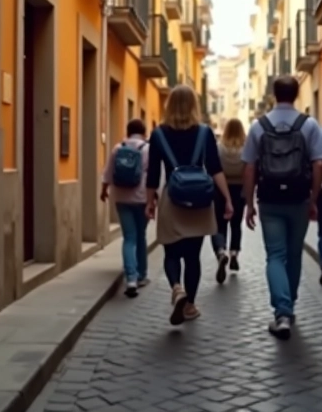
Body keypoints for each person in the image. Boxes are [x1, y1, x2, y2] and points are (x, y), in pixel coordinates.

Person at [242, 76, 322, 340]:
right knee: (294, 253)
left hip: (269, 199)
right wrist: (313, 199)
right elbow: (319, 163)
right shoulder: (309, 125)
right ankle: (289, 306)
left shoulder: (258, 126)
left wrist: (248, 204)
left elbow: (250, 167)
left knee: (275, 255)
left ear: (274, 94)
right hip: (299, 198)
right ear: (297, 93)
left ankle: (282, 312)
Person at [146, 85, 234, 325]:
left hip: (172, 201)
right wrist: (226, 199)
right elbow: (215, 169)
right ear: (195, 106)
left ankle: (177, 288)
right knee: (193, 256)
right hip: (200, 202)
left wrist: (149, 203)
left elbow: (153, 174)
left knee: (171, 252)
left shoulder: (158, 134)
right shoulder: (205, 133)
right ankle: (191, 305)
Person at [100, 119, 151, 298]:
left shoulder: (117, 148)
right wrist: (154, 200)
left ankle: (130, 278)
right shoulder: (147, 148)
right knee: (141, 236)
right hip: (142, 198)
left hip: (121, 197)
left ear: (128, 131)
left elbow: (107, 172)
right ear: (144, 132)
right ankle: (142, 275)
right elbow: (154, 176)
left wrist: (103, 191)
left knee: (129, 237)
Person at [212, 118, 248, 283]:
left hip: (220, 190)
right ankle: (234, 253)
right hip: (239, 190)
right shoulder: (246, 149)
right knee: (236, 224)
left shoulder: (219, 149)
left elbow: (213, 169)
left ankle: (221, 251)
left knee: (219, 224)